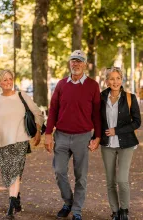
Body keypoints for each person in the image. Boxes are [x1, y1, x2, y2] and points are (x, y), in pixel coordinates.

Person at [44, 50, 101, 220]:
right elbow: (53, 109)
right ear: (69, 63)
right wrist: (48, 133)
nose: (75, 64)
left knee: (80, 177)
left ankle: (76, 210)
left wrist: (97, 137)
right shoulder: (61, 84)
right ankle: (68, 201)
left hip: (82, 136)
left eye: (79, 61)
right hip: (61, 135)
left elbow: (97, 113)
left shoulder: (92, 85)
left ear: (85, 64)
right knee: (59, 171)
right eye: (73, 61)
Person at [0, 69, 44, 219]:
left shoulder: (21, 96)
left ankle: (10, 208)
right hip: (4, 142)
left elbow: (37, 112)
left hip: (20, 140)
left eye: (10, 78)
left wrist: (38, 130)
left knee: (15, 173)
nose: (8, 82)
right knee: (8, 174)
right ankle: (16, 198)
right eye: (5, 80)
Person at [100, 67, 141, 220]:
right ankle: (115, 211)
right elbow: (98, 121)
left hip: (126, 144)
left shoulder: (130, 97)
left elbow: (137, 122)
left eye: (118, 78)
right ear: (106, 81)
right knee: (110, 181)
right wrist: (94, 138)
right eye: (111, 78)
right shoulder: (101, 97)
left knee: (122, 180)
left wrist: (116, 130)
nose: (115, 81)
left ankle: (124, 210)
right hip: (107, 145)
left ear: (122, 80)